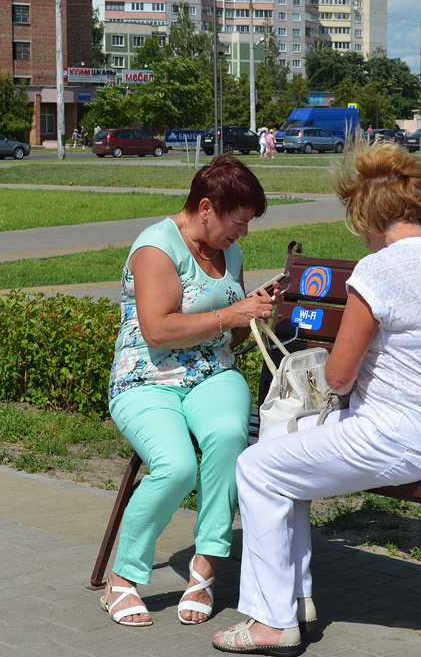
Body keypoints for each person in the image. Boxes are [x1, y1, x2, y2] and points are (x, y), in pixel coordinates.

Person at [212, 143, 421, 656]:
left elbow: (338, 378)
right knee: (278, 444)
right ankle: (296, 598)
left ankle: (273, 622)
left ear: (366, 217)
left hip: (394, 438)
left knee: (257, 468)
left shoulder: (378, 270)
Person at [100, 155, 279, 628]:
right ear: (205, 207)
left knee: (226, 438)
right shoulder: (156, 248)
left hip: (212, 374)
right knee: (175, 466)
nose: (242, 234)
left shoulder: (230, 252)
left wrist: (255, 313)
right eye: (237, 223)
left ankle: (205, 565)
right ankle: (124, 577)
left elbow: (230, 337)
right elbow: (157, 331)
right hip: (146, 379)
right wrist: (231, 315)